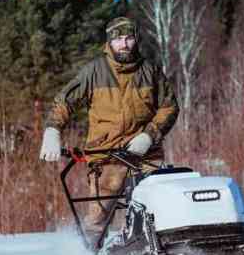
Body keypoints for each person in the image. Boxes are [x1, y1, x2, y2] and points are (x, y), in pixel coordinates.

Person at [39, 17, 179, 242]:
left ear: (136, 40)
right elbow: (64, 102)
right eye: (118, 39)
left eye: (129, 38)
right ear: (109, 42)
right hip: (106, 156)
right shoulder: (94, 72)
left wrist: (149, 135)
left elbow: (169, 107)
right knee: (97, 218)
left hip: (145, 155)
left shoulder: (150, 71)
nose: (124, 44)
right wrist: (52, 131)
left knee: (159, 212)